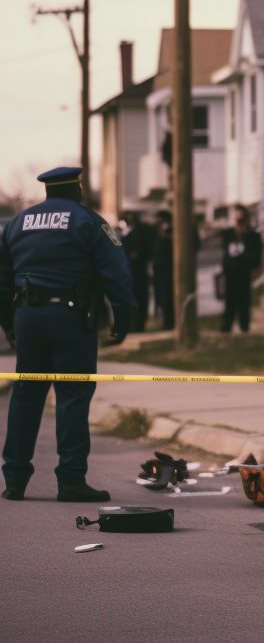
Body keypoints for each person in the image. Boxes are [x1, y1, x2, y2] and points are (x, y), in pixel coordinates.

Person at [0, 167, 134, 501]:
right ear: (76, 189)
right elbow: (117, 271)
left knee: (26, 396)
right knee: (73, 396)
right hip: (71, 318)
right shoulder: (87, 220)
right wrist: (123, 316)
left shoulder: (18, 222)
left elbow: (2, 278)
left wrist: (8, 323)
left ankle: (14, 479)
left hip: (27, 317)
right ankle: (71, 480)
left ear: (48, 191)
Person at [221, 205, 262, 333]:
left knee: (244, 302)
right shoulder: (229, 234)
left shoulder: (252, 235)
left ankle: (244, 326)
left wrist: (246, 261)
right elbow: (225, 253)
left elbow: (256, 256)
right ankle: (227, 326)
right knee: (230, 301)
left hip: (243, 273)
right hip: (231, 273)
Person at [120, 211, 153, 332]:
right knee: (139, 297)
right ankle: (137, 324)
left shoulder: (134, 232)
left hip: (134, 269)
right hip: (137, 269)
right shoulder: (138, 231)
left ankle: (136, 324)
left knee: (136, 297)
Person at [151, 210, 174, 330]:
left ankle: (169, 322)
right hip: (158, 268)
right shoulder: (155, 232)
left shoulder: (170, 231)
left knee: (168, 296)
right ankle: (165, 321)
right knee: (160, 296)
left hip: (167, 268)